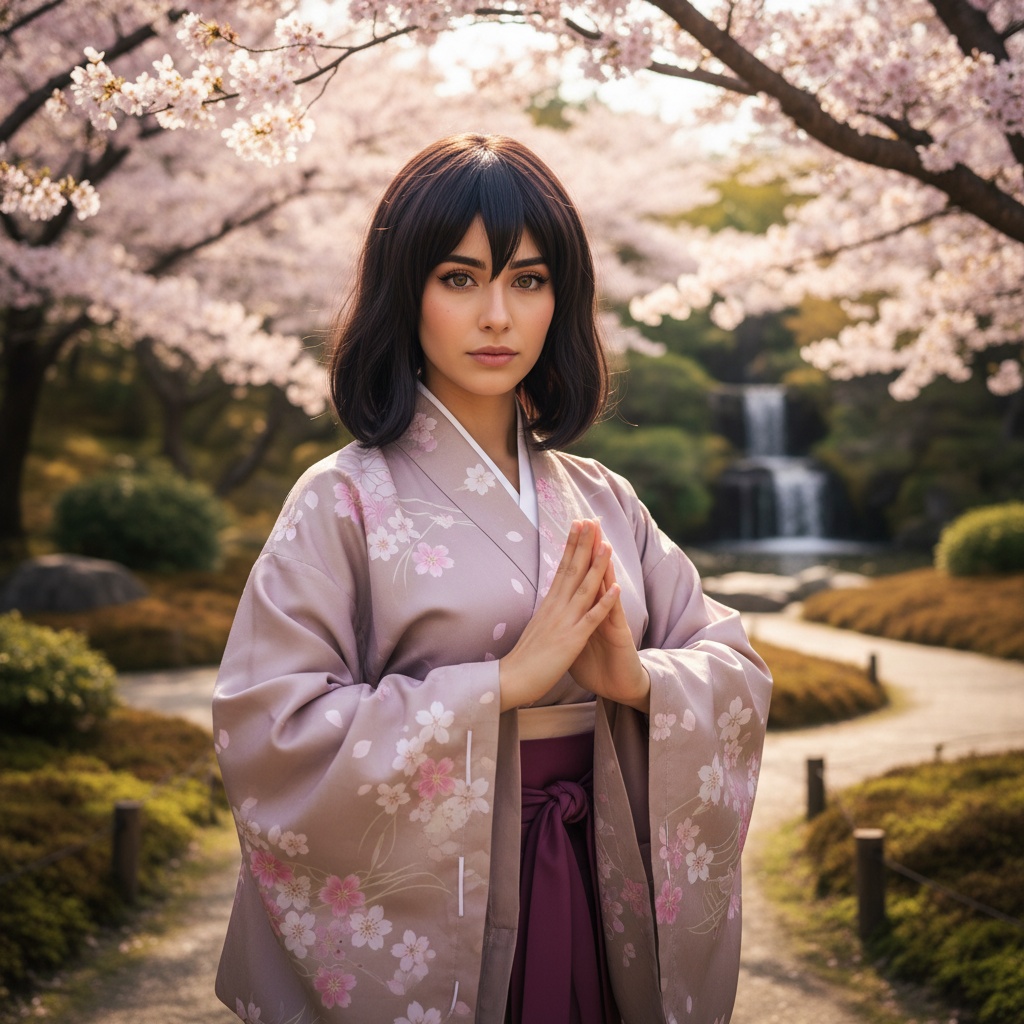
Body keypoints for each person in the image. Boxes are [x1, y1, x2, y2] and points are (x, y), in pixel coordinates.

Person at [212, 133, 772, 1024]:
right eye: (460, 278)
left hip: (602, 878)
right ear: (408, 291)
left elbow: (731, 662)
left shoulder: (603, 497)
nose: (498, 316)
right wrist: (503, 687)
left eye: (529, 279)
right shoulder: (341, 501)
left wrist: (634, 681)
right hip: (450, 903)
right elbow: (268, 728)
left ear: (562, 299)